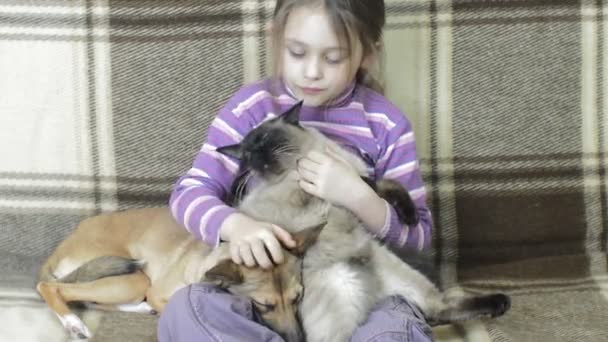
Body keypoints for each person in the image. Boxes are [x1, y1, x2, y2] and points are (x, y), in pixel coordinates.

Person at [158, 0, 434, 341]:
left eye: (334, 58)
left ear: (368, 54)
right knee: (189, 308)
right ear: (276, 38)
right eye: (297, 52)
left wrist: (360, 197)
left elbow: (419, 238)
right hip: (266, 294)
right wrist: (235, 225)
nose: (312, 72)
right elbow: (189, 192)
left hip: (358, 286)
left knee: (395, 326)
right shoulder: (251, 108)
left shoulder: (386, 124)